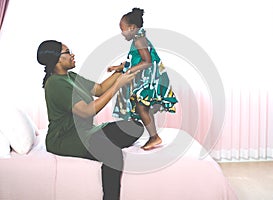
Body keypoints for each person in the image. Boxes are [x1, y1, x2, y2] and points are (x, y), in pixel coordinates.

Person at [37, 40, 144, 200]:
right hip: (66, 139)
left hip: (87, 131)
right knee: (112, 153)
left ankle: (100, 142)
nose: (72, 54)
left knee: (135, 127)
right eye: (68, 52)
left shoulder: (70, 76)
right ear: (58, 59)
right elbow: (86, 112)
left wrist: (119, 71)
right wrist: (117, 86)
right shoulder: (55, 84)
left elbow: (99, 89)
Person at [108, 8, 178, 150]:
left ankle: (154, 137)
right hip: (147, 80)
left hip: (150, 81)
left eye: (123, 29)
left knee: (141, 107)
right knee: (140, 107)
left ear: (132, 28)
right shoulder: (138, 39)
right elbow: (135, 60)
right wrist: (119, 67)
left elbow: (147, 61)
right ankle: (136, 134)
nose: (121, 33)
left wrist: (129, 71)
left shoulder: (139, 40)